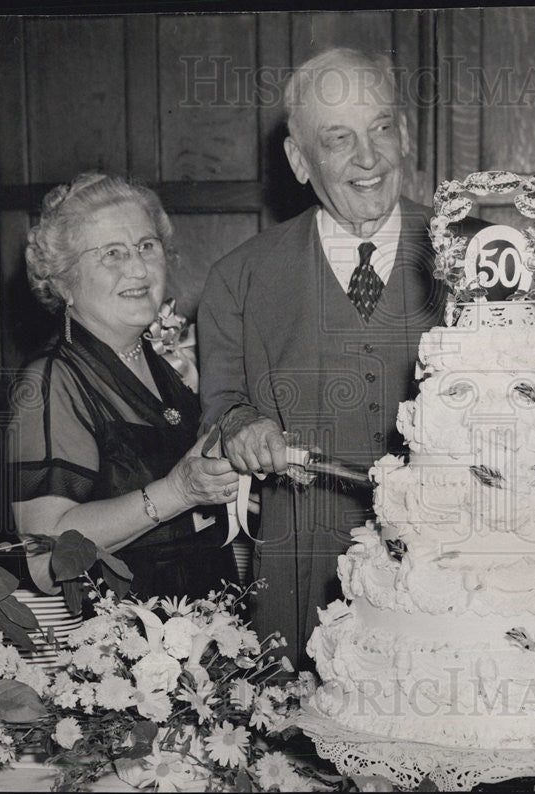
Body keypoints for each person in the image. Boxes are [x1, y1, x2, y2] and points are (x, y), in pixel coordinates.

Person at [198, 47, 485, 666]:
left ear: (404, 135)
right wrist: (244, 426)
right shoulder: (238, 278)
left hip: (459, 568)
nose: (367, 158)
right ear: (300, 161)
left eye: (381, 128)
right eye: (338, 138)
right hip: (305, 575)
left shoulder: (480, 256)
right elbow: (221, 406)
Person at [9, 172, 244, 599]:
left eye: (146, 246)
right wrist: (177, 491)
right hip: (124, 642)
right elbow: (46, 558)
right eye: (112, 253)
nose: (138, 268)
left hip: (206, 624)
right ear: (63, 282)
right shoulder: (50, 382)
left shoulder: (160, 365)